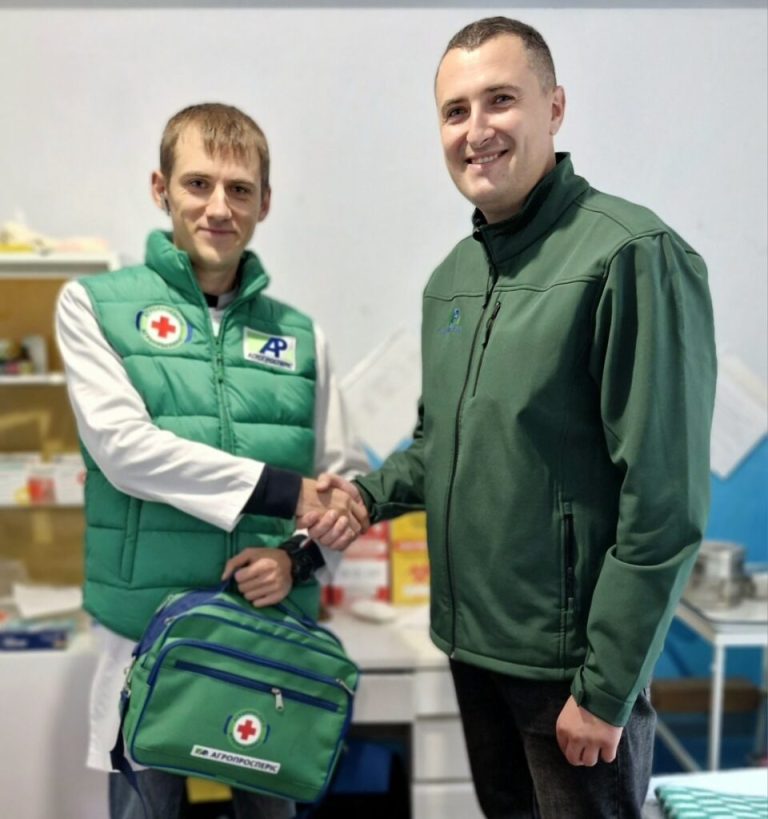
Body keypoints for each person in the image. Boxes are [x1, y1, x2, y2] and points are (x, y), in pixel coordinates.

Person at [313, 17, 717, 819]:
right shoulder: (453, 279)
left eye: (500, 100)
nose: (476, 130)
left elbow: (664, 498)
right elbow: (441, 445)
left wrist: (606, 688)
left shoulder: (630, 255)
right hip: (474, 653)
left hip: (570, 673)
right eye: (454, 110)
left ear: (554, 107)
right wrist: (364, 495)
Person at [55, 102, 368, 819]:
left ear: (265, 203)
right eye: (198, 184)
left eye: (240, 189)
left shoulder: (303, 337)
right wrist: (284, 492)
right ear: (160, 188)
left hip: (267, 639)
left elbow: (343, 484)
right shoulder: (94, 307)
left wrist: (298, 559)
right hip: (145, 639)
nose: (219, 207)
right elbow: (124, 449)